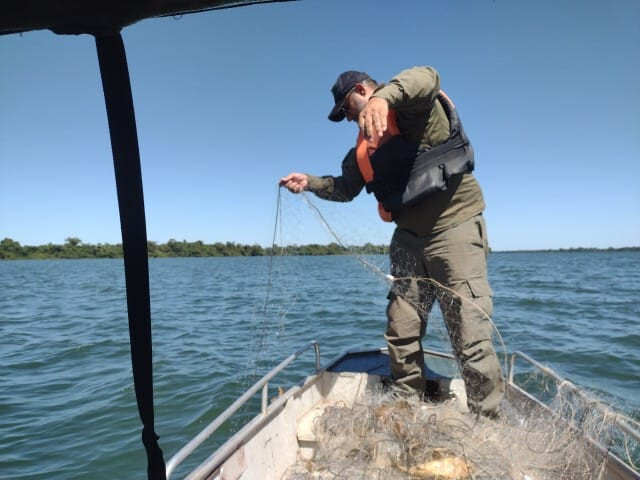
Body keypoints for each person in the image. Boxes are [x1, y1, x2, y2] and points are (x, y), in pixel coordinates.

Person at [280, 66, 504, 417]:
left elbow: (428, 76)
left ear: (361, 90)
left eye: (347, 109)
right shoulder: (362, 149)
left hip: (454, 226)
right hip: (406, 240)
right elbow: (344, 188)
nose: (348, 118)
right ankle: (406, 404)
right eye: (343, 116)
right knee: (401, 328)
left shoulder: (409, 105)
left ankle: (488, 419)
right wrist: (307, 182)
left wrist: (384, 99)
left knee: (469, 334)